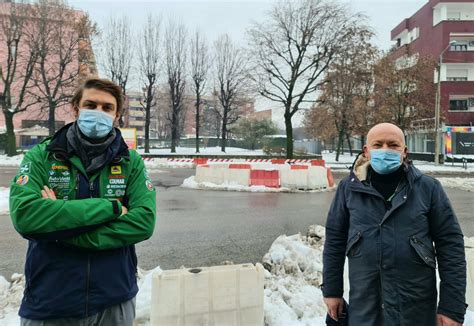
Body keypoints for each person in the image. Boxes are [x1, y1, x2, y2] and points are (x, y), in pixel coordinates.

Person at [9, 78, 157, 325]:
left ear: (117, 115)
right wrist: (109, 208)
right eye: (91, 104)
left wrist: (59, 225)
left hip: (114, 300)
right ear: (76, 108)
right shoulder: (42, 157)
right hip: (51, 299)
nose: (98, 112)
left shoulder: (130, 162)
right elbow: (26, 216)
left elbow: (143, 222)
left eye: (107, 107)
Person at [322, 123, 466, 326]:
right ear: (366, 151)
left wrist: (452, 307)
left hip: (415, 310)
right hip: (365, 308)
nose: (385, 150)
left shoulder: (428, 189)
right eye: (378, 145)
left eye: (393, 145)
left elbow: (451, 247)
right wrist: (331, 291)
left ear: (404, 152)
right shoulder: (348, 189)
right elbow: (335, 241)